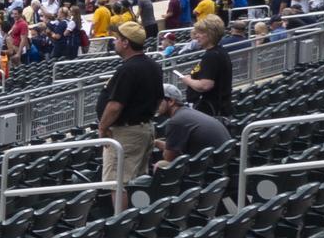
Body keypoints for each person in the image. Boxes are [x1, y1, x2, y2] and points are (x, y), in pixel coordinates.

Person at [95, 21, 164, 207]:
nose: (114, 43)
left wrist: (102, 127)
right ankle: (135, 222)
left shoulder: (128, 69)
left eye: (117, 39)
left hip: (126, 133)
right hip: (144, 128)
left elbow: (115, 106)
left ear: (126, 42)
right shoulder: (153, 65)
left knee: (119, 182)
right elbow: (159, 101)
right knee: (137, 180)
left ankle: (121, 225)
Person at [156, 82, 232, 165]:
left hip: (208, 165)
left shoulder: (176, 122)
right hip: (220, 160)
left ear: (171, 101)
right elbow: (173, 149)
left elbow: (169, 158)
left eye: (158, 100)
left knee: (162, 164)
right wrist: (157, 143)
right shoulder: (187, 113)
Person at [180, 14, 234, 118]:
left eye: (200, 33)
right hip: (219, 109)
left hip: (211, 112)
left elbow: (205, 85)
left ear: (210, 34)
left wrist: (187, 80)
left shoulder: (211, 56)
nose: (196, 36)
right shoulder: (220, 51)